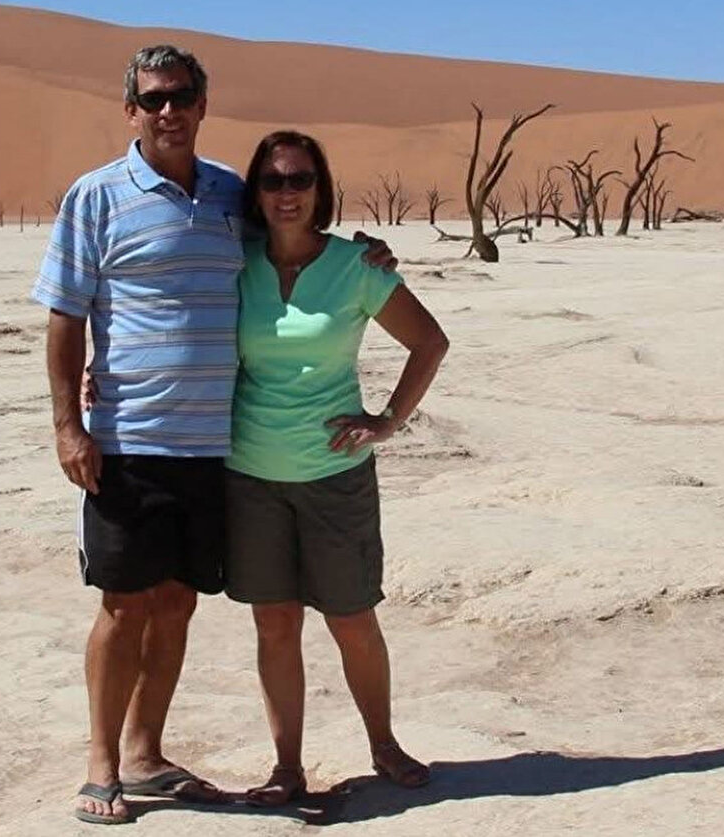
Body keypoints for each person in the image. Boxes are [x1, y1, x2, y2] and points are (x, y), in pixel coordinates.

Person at [33, 45, 395, 826]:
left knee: (176, 602)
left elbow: (295, 240)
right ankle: (102, 765)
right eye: (153, 98)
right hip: (129, 438)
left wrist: (367, 251)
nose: (168, 111)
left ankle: (145, 753)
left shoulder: (233, 193)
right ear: (131, 109)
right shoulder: (95, 197)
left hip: (213, 445)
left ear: (202, 104)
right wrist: (68, 425)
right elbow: (64, 318)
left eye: (181, 96)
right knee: (123, 603)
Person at [224, 131, 449, 805]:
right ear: (256, 192)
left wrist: (388, 420)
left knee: (352, 617)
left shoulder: (358, 266)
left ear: (320, 188)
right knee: (275, 624)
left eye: (300, 179)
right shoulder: (236, 262)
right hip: (252, 475)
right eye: (272, 181)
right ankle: (286, 767)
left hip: (335, 476)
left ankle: (383, 743)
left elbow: (429, 341)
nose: (286, 193)